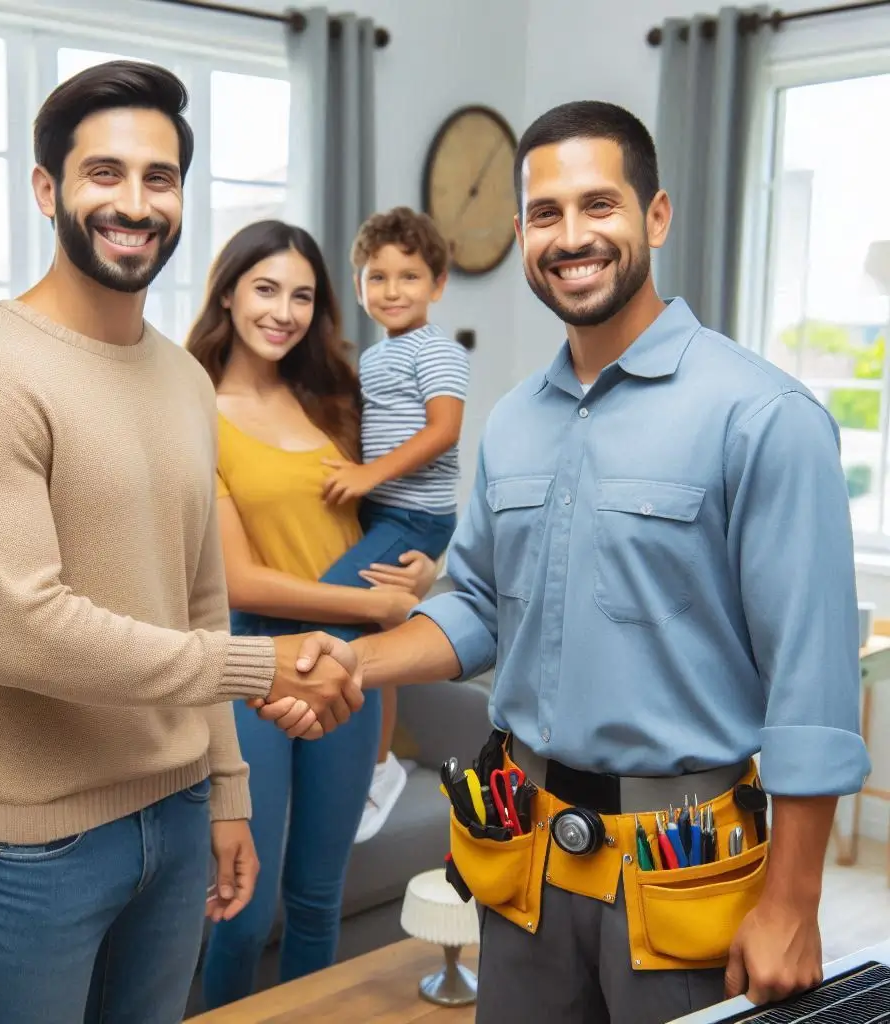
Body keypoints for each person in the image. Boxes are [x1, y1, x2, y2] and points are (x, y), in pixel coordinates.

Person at [279, 100, 872, 1023]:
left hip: (684, 878)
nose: (572, 235)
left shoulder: (762, 417)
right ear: (521, 235)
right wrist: (356, 658)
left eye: (600, 205)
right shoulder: (515, 419)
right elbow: (475, 600)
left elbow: (814, 681)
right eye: (546, 214)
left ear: (657, 216)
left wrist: (792, 902)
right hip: (524, 863)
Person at [0, 62, 361, 1024]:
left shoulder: (182, 381)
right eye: (103, 173)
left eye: (159, 178)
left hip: (182, 811)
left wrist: (229, 792)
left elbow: (197, 594)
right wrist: (265, 661)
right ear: (47, 189)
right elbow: (28, 637)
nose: (135, 202)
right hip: (38, 848)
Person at [187, 219, 438, 1008]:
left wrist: (424, 565)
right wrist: (373, 602)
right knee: (242, 905)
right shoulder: (195, 412)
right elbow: (238, 580)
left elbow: (396, 516)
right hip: (255, 669)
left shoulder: (337, 399)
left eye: (302, 295)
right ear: (227, 293)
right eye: (265, 289)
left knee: (318, 897)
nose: (284, 311)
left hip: (347, 670)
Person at [329, 206, 468, 843]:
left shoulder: (436, 350)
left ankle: (375, 766)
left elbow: (444, 430)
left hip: (414, 514)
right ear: (358, 285)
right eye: (376, 277)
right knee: (378, 626)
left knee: (333, 613)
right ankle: (380, 764)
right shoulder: (376, 357)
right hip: (384, 510)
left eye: (408, 277)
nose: (391, 291)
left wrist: (367, 476)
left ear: (438, 285)